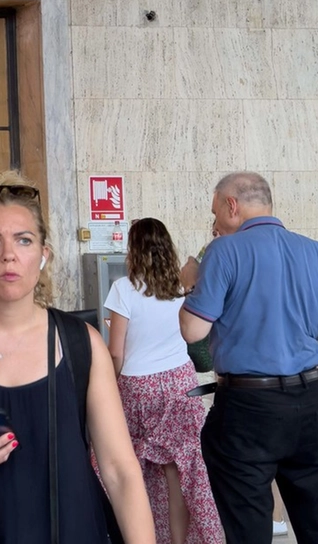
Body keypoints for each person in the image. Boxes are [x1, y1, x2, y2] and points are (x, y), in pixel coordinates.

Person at [0, 172, 154, 543]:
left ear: (43, 255)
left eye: (23, 240)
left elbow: (120, 470)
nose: (9, 255)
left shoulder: (80, 343)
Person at [180, 171, 318, 544]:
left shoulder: (223, 252)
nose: (213, 226)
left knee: (248, 527)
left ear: (232, 206)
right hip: (314, 401)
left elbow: (193, 332)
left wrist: (191, 282)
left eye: (214, 214)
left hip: (249, 406)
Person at [104, 218, 222, 544]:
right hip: (180, 385)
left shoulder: (123, 289)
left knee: (132, 471)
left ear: (133, 248)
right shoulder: (181, 288)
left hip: (137, 388)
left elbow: (116, 353)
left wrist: (106, 388)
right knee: (177, 472)